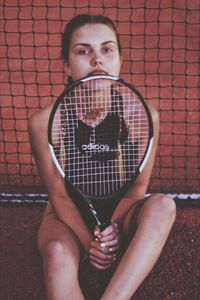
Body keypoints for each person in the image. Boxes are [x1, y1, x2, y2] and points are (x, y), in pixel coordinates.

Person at [28, 14, 176, 300]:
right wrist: (90, 241)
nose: (97, 59)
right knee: (57, 254)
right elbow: (58, 196)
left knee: (163, 207)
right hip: (67, 214)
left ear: (119, 60)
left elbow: (135, 191)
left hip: (121, 209)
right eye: (83, 51)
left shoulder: (144, 117)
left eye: (107, 49)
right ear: (67, 66)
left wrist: (112, 227)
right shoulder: (45, 123)